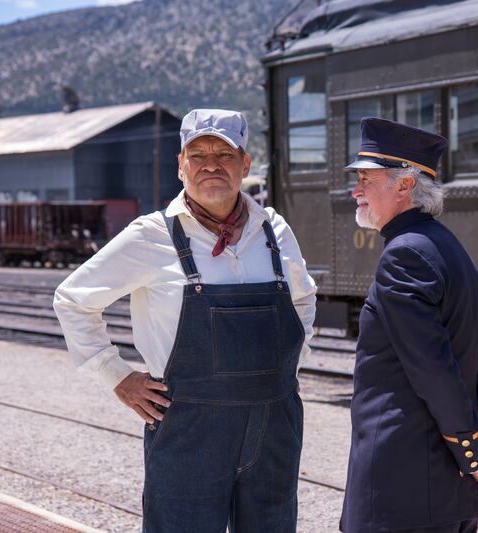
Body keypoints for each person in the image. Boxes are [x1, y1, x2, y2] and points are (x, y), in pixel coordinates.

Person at [54, 109, 317, 532]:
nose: (211, 164)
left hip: (275, 426)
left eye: (224, 154)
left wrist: (289, 365)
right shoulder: (151, 236)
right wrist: (116, 376)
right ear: (181, 166)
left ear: (245, 165)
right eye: (197, 155)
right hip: (189, 431)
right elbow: (72, 299)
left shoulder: (275, 231)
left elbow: (303, 300)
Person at [340, 117, 478, 533]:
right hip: (447, 493)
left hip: (402, 492)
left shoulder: (403, 256)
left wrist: (474, 454)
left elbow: (434, 371)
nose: (356, 190)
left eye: (366, 179)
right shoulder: (446, 246)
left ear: (405, 185)